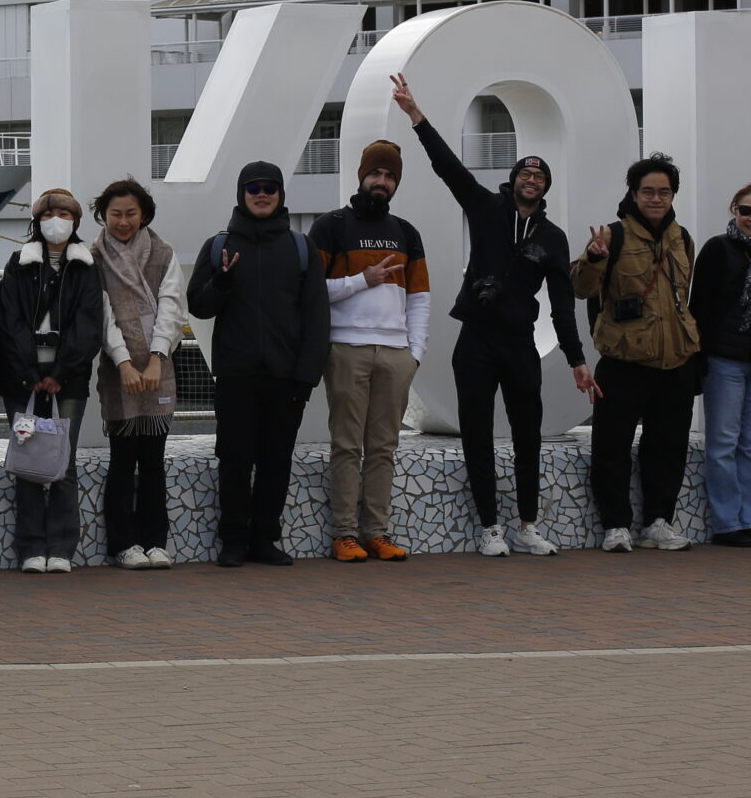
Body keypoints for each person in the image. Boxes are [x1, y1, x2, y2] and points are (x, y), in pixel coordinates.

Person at [388, 74, 593, 559]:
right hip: (476, 340)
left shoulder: (554, 238)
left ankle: (527, 525)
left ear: (545, 187)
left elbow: (564, 303)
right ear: (514, 179)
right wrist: (417, 117)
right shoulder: (485, 207)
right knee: (476, 434)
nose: (531, 180)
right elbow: (448, 167)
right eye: (525, 173)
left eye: (539, 177)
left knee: (528, 436)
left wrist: (576, 360)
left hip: (520, 344)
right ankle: (489, 527)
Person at [186, 159, 331, 566]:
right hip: (236, 376)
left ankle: (264, 539)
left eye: (270, 188)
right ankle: (234, 540)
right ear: (241, 194)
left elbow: (317, 316)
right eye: (254, 188)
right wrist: (222, 282)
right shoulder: (219, 246)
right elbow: (198, 306)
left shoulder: (301, 248)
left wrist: (306, 378)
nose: (262, 194)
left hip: (287, 378)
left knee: (275, 462)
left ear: (281, 194)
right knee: (235, 460)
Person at [310, 140, 431, 564]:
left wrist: (414, 353)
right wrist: (363, 279)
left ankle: (376, 533)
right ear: (362, 175)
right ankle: (345, 534)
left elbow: (419, 298)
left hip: (396, 354)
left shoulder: (407, 232)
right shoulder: (330, 226)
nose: (382, 181)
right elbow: (311, 290)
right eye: (376, 173)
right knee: (347, 446)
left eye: (390, 176)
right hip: (347, 349)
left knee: (383, 448)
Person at [572, 154, 700, 553]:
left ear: (673, 195)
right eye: (648, 191)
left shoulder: (683, 239)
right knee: (611, 446)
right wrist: (594, 258)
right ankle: (616, 525)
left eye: (664, 191)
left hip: (675, 360)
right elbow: (580, 288)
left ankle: (659, 523)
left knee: (668, 447)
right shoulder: (611, 236)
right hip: (624, 360)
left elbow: (684, 297)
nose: (656, 198)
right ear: (633, 193)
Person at [0, 187, 105, 572]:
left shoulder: (86, 265)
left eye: (65, 214)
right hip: (22, 378)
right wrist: (28, 371)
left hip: (67, 380)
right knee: (27, 462)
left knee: (63, 463)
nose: (56, 221)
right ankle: (30, 548)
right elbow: (8, 319)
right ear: (37, 220)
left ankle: (61, 547)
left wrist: (61, 372)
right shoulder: (19, 262)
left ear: (76, 221)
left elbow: (89, 324)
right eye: (48, 214)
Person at [689, 183, 751, 547]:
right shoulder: (718, 248)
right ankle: (727, 523)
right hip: (723, 358)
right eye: (745, 210)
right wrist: (699, 357)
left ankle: (749, 520)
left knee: (750, 443)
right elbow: (699, 305)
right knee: (723, 442)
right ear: (734, 210)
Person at [92, 178, 184, 569]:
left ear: (144, 214)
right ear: (103, 215)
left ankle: (155, 541)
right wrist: (124, 362)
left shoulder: (163, 252)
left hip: (159, 368)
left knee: (153, 461)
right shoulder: (94, 256)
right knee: (122, 459)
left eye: (131, 213)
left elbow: (171, 305)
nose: (123, 221)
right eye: (116, 214)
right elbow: (103, 314)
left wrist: (158, 356)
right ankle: (123, 544)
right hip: (119, 371)